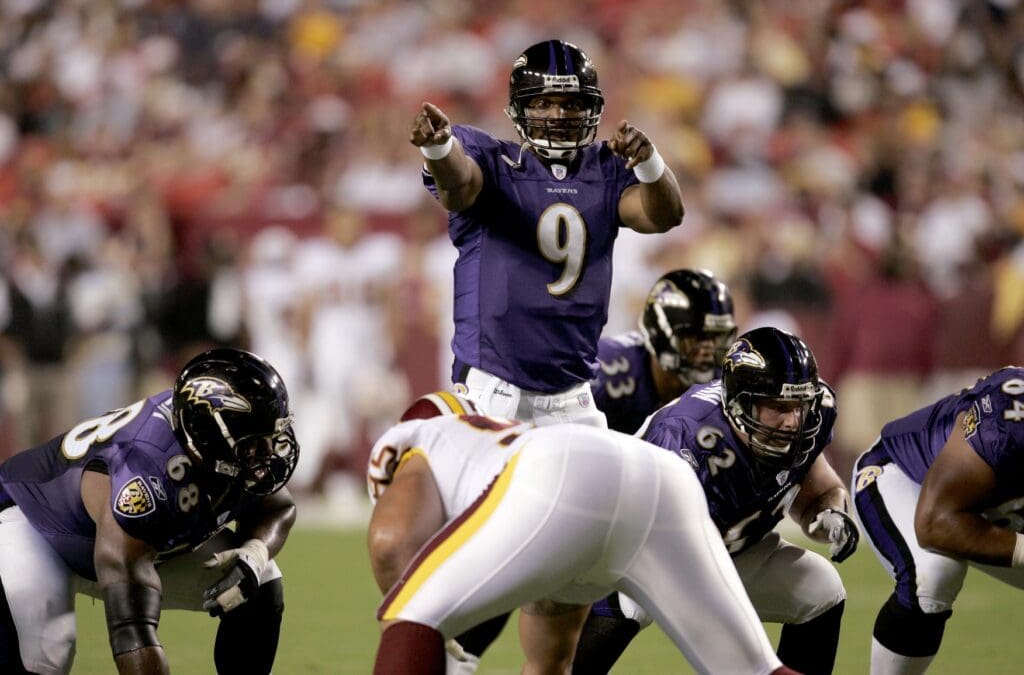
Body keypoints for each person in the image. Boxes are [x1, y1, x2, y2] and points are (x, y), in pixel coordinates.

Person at [366, 391, 800, 675]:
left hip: (564, 479)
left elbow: (391, 543)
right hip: (662, 474)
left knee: (412, 617)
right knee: (754, 669)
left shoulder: (419, 440)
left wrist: (429, 618)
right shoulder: (493, 445)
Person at [409, 38, 684, 428]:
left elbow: (664, 216)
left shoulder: (607, 168)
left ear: (591, 108)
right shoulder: (493, 160)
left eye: (571, 104)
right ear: (520, 108)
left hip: (575, 395)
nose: (558, 114)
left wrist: (650, 163)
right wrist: (439, 149)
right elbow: (459, 186)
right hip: (494, 392)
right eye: (542, 103)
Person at [574, 327, 858, 675]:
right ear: (740, 403)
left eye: (799, 406)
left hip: (725, 550)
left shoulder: (812, 414)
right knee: (623, 610)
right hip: (642, 554)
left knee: (820, 589)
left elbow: (818, 489)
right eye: (778, 407)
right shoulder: (686, 440)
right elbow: (659, 552)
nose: (792, 422)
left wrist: (831, 512)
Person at [0, 348, 300, 675]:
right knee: (49, 653)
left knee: (258, 579)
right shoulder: (144, 476)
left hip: (124, 541)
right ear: (209, 437)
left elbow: (278, 507)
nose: (268, 453)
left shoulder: (216, 447)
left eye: (272, 436)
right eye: (254, 442)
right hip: (33, 524)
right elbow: (132, 631)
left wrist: (256, 552)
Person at [851, 366, 1024, 674]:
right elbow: (935, 523)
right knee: (934, 574)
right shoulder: (1006, 416)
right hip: (907, 477)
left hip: (993, 505)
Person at [593, 268, 737, 434]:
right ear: (659, 335)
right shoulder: (608, 370)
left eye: (717, 337)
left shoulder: (728, 386)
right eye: (694, 338)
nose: (708, 351)